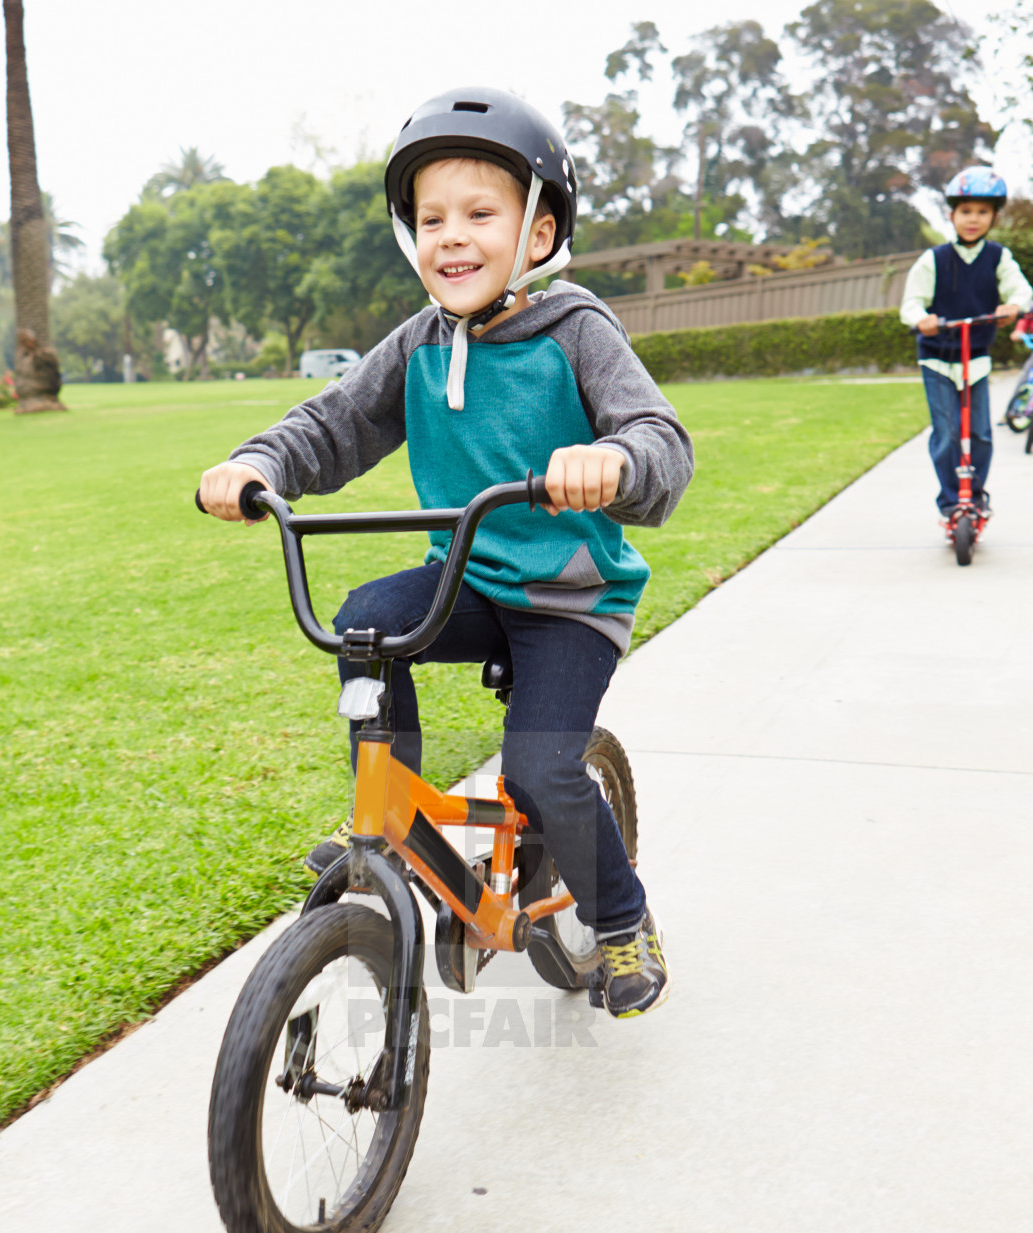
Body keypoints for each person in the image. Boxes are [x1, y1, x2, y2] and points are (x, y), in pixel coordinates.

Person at [199, 87, 694, 1018]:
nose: (452, 237)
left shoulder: (578, 332)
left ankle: (623, 921)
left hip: (568, 598)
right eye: (432, 219)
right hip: (466, 578)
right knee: (366, 623)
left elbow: (663, 445)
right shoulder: (419, 343)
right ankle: (384, 826)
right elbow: (336, 422)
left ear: (538, 235)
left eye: (480, 214)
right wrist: (258, 463)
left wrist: (614, 459)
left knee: (540, 771)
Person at [899, 166, 1032, 517]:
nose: (973, 219)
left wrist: (1013, 305)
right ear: (952, 214)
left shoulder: (997, 257)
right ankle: (950, 502)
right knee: (946, 434)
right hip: (937, 359)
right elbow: (910, 304)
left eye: (983, 212)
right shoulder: (935, 260)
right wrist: (921, 319)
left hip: (976, 358)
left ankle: (974, 497)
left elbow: (1021, 289)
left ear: (994, 216)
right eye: (966, 211)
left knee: (981, 435)